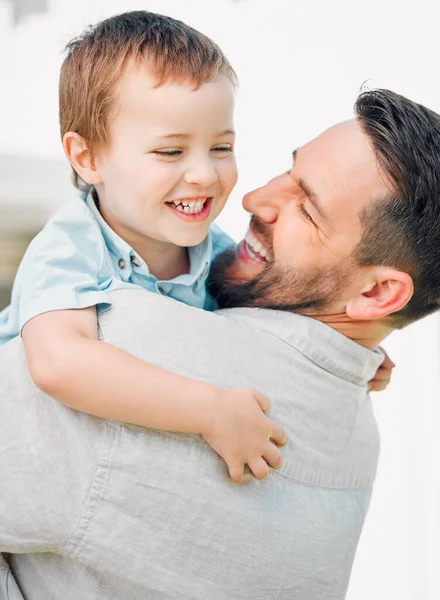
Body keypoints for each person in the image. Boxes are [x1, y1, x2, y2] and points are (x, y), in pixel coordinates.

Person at [1, 88, 439, 599]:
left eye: (308, 209)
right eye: (289, 172)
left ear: (378, 293)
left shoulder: (125, 346)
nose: (254, 199)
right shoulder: (357, 436)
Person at [0, 10, 287, 483]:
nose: (204, 174)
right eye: (170, 151)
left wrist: (349, 350)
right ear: (87, 157)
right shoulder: (68, 246)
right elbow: (58, 363)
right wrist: (209, 411)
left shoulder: (217, 252)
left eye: (221, 147)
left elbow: (275, 317)